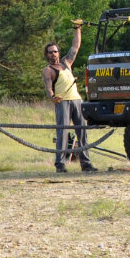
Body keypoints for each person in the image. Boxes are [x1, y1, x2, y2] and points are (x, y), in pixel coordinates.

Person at [43, 21, 97, 173]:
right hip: (63, 102)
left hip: (77, 100)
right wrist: (53, 98)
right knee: (63, 133)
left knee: (82, 132)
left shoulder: (66, 63)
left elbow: (75, 46)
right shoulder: (48, 70)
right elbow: (48, 88)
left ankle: (86, 164)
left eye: (55, 51)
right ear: (46, 55)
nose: (53, 54)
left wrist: (77, 28)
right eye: (50, 52)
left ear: (58, 53)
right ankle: (60, 165)